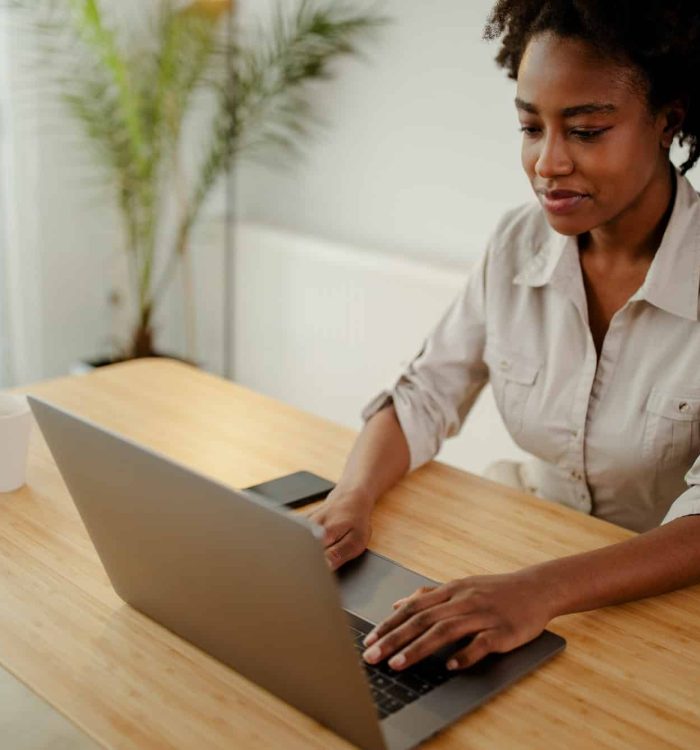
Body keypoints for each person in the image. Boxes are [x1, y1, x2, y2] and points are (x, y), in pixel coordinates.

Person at [308, 0, 700, 674]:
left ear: (667, 121)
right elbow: (426, 391)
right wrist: (351, 498)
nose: (547, 163)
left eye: (585, 130)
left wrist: (538, 590)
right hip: (529, 559)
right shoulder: (517, 243)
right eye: (529, 126)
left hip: (661, 607)